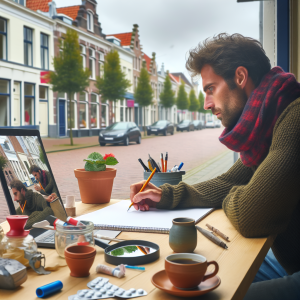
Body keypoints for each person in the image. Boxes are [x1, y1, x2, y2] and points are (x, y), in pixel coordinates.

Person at [130, 33, 300, 299]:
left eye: (211, 89)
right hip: (290, 262)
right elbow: (228, 182)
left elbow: (249, 215)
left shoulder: (295, 117)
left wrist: (239, 195)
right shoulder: (268, 123)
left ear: (240, 77)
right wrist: (166, 195)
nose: (207, 104)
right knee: (206, 278)